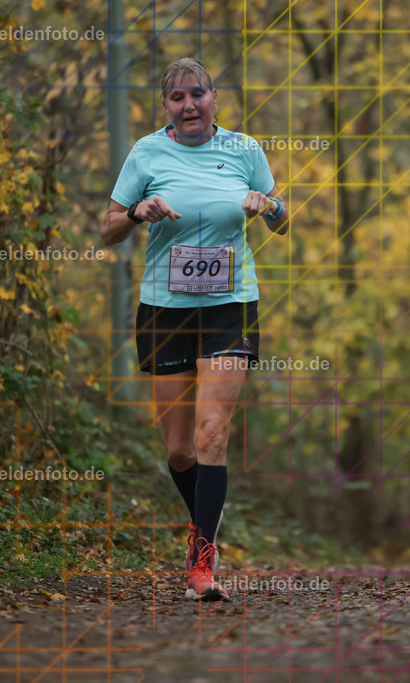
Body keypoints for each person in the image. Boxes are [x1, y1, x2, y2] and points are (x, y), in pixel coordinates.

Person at [102, 57, 289, 601]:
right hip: (165, 309)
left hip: (231, 304)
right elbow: (108, 228)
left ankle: (202, 562)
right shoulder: (146, 153)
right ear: (166, 106)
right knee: (181, 449)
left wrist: (269, 205)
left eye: (197, 95)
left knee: (213, 432)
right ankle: (203, 526)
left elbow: (282, 218)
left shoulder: (244, 150)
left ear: (215, 98)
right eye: (177, 98)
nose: (189, 106)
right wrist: (138, 213)